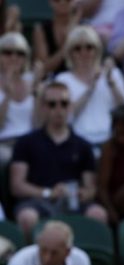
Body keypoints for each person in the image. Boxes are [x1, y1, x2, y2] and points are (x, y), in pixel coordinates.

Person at [9, 81, 108, 242]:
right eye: (52, 104)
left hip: (73, 203)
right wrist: (48, 193)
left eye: (64, 103)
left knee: (98, 214)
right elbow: (17, 186)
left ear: (70, 107)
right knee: (27, 217)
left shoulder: (83, 145)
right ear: (43, 107)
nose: (58, 109)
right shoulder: (26, 143)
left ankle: (92, 257)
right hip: (37, 202)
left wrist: (82, 194)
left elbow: (91, 187)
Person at [55, 25, 124, 154]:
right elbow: (66, 116)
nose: (84, 52)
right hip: (78, 144)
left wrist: (111, 83)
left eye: (89, 47)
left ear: (97, 50)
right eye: (77, 48)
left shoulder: (113, 74)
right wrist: (90, 88)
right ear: (70, 53)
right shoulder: (63, 79)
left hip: (113, 141)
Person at [0, 32, 43, 165]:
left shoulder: (32, 81)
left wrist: (37, 94)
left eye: (20, 53)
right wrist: (7, 96)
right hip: (4, 142)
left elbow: (38, 125)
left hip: (30, 141)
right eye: (8, 52)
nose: (14, 57)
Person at [32, 0, 84, 77]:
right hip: (50, 81)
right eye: (57, 0)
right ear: (50, 2)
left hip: (78, 79)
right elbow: (43, 68)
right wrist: (68, 41)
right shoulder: (41, 29)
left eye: (68, 0)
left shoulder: (84, 28)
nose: (62, 2)